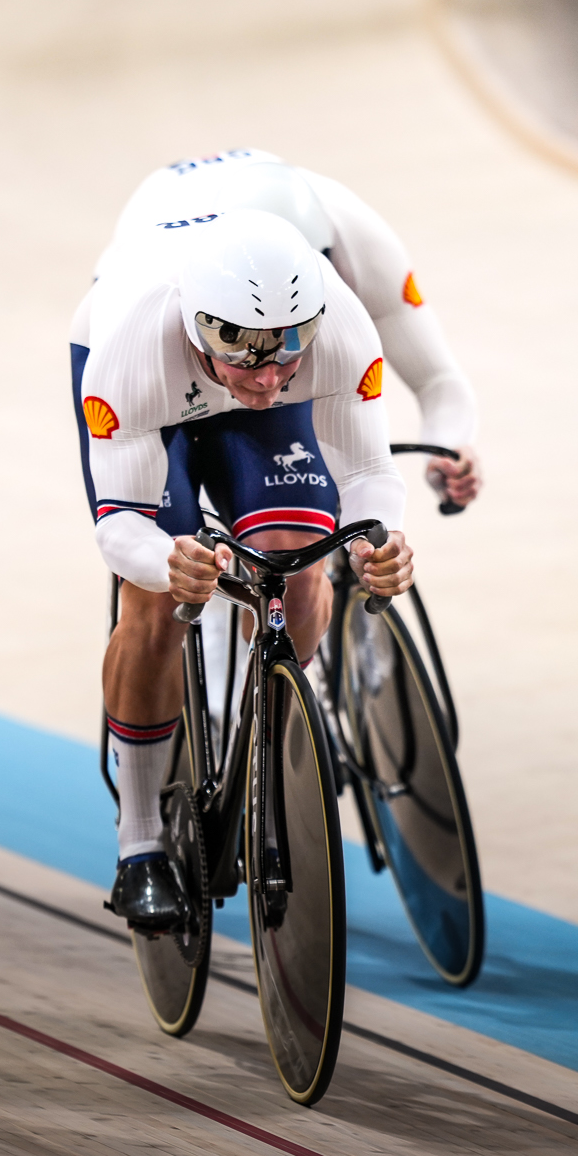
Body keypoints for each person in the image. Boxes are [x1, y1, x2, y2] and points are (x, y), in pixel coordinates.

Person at [73, 207, 418, 929]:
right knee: (154, 603)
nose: (269, 375)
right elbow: (119, 523)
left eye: (290, 352)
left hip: (217, 392)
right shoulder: (128, 351)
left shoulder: (341, 331)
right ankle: (138, 843)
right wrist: (167, 559)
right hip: (156, 405)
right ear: (200, 328)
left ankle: (269, 709)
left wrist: (378, 542)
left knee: (300, 554)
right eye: (247, 355)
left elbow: (367, 473)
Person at [95, 149, 482, 510]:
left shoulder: (364, 241)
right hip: (149, 274)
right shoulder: (158, 269)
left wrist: (444, 446)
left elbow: (437, 379)